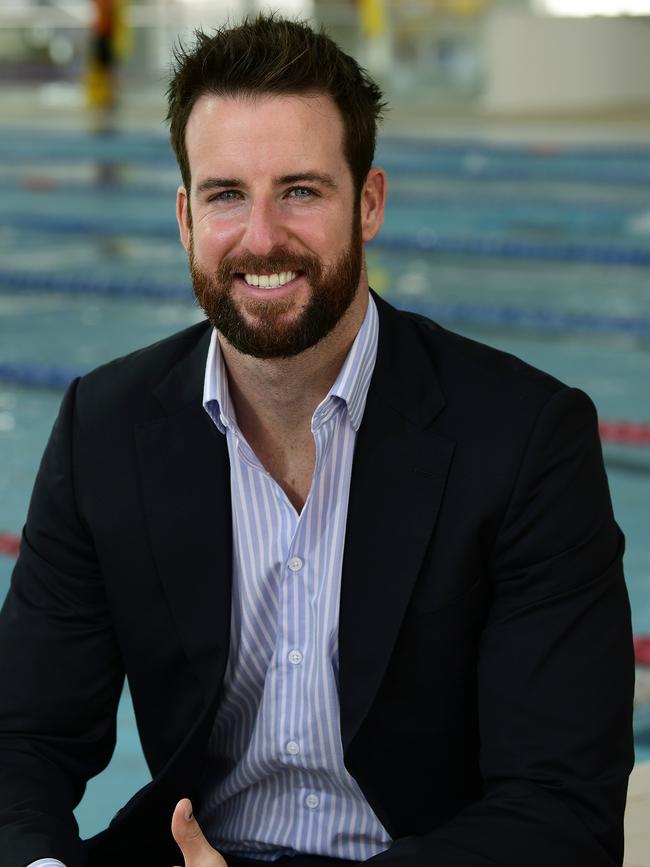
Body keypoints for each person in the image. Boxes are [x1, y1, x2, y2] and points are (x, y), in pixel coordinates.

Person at [0, 14, 635, 867]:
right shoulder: (103, 430)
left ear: (368, 203)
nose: (262, 238)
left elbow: (562, 810)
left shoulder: (524, 440)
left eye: (300, 190)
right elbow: (20, 740)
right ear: (186, 218)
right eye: (228, 194)